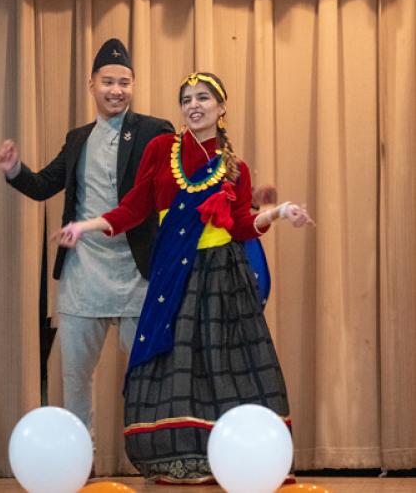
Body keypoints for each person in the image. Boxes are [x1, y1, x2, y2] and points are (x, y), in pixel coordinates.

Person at [53, 72, 313, 484]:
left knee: (225, 365)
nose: (194, 105)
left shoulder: (235, 168)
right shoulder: (162, 150)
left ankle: (237, 458)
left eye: (203, 98)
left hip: (225, 278)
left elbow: (243, 225)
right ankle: (180, 460)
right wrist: (84, 227)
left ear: (221, 107)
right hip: (176, 276)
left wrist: (280, 213)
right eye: (187, 99)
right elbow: (134, 206)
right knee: (175, 367)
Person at [0, 38, 174, 431]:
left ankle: (153, 456)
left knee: (150, 374)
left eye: (124, 82)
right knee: (75, 378)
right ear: (91, 85)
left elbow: (172, 188)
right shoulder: (78, 138)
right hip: (83, 275)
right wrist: (14, 170)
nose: (116, 90)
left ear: (133, 85)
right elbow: (44, 184)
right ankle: (81, 458)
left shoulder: (155, 131)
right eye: (108, 81)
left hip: (138, 273)